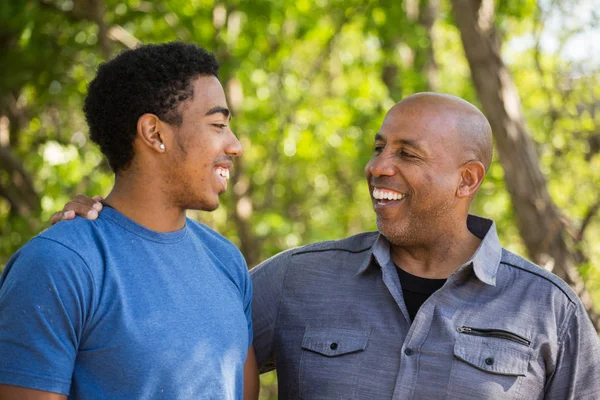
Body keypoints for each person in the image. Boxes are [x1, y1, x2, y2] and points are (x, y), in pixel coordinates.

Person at [50, 93, 600, 399]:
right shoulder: (295, 280)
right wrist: (112, 228)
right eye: (379, 147)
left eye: (407, 154)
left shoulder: (550, 310)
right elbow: (155, 337)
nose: (379, 166)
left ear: (467, 179)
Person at [0, 42, 258, 400]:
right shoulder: (59, 265)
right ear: (154, 133)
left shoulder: (226, 261)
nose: (235, 145)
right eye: (217, 124)